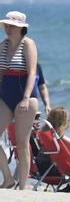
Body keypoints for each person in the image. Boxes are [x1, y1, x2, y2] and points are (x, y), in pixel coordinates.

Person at [0, 11, 39, 189]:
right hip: (5, 95)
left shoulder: (28, 44)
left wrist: (25, 98)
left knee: (22, 143)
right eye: (7, 25)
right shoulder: (3, 45)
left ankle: (23, 186)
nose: (8, 29)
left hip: (25, 97)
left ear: (21, 28)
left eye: (12, 26)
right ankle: (8, 178)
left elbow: (32, 73)